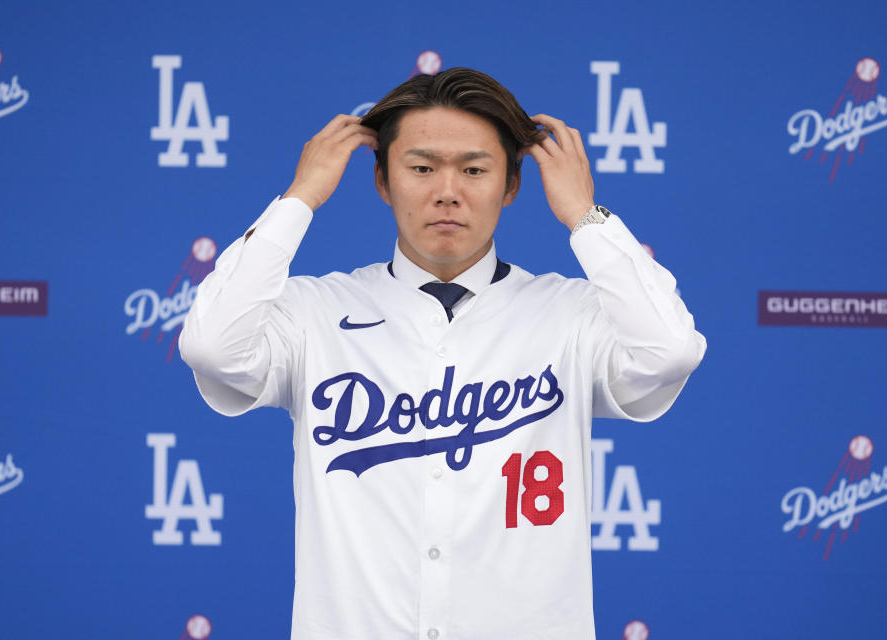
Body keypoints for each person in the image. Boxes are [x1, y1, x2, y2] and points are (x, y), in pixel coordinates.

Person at [179, 67, 706, 640]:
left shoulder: (571, 314)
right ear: (382, 180)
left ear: (511, 186)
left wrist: (586, 216)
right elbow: (212, 348)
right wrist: (299, 199)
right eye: (422, 167)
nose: (447, 191)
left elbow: (669, 351)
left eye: (475, 170)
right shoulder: (315, 312)